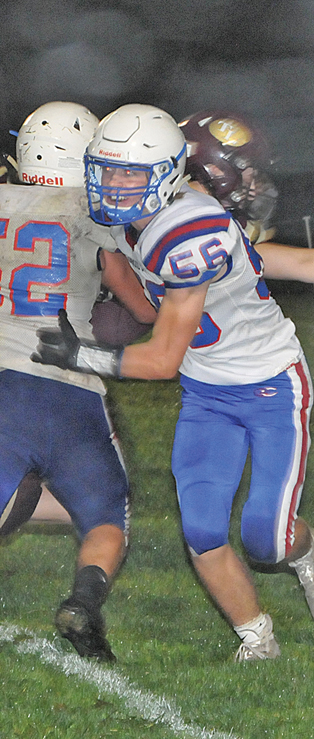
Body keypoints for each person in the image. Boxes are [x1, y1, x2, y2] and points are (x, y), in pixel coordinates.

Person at [33, 104, 314, 661]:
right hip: (206, 394)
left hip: (270, 384)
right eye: (105, 171)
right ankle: (257, 637)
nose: (113, 186)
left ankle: (305, 550)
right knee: (203, 532)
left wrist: (82, 355)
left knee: (266, 540)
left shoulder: (190, 228)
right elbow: (263, 257)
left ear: (166, 174)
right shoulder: (137, 214)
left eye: (129, 174)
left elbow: (161, 360)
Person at [0, 101, 157, 661]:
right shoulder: (96, 217)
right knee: (107, 515)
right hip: (71, 388)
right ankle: (84, 602)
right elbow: (145, 310)